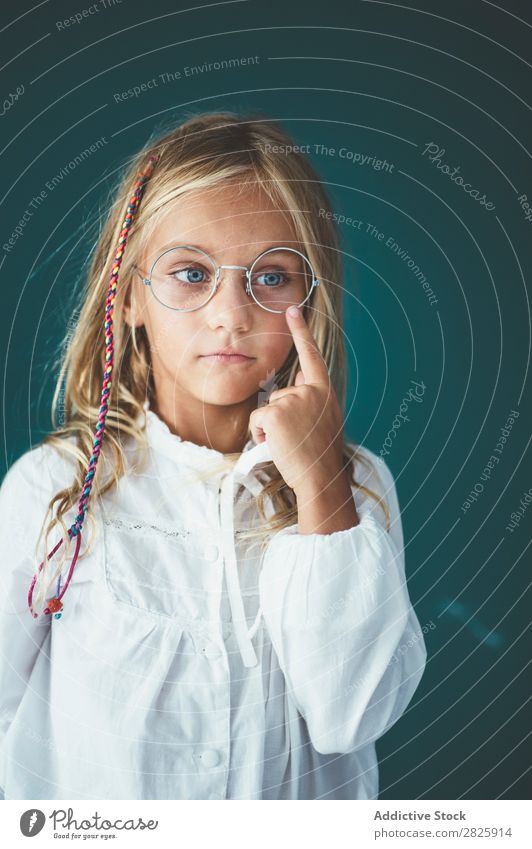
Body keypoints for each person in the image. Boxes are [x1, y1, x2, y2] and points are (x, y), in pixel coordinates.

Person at [0, 111, 426, 800]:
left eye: (272, 277)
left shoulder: (357, 485)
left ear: (310, 298)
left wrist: (321, 484)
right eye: (192, 273)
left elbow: (354, 713)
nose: (231, 313)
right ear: (129, 294)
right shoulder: (54, 489)